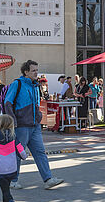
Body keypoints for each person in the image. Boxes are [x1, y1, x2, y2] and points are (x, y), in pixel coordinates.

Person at [4, 60, 64, 190]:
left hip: (35, 125)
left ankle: (48, 179)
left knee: (40, 152)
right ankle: (13, 180)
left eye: (37, 70)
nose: (36, 73)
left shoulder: (35, 85)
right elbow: (7, 102)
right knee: (18, 153)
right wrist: (13, 120)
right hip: (21, 125)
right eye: (33, 70)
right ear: (26, 72)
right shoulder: (17, 84)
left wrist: (39, 117)